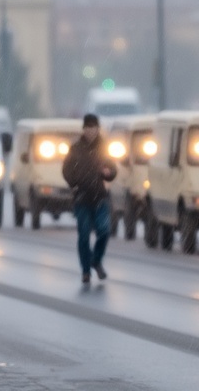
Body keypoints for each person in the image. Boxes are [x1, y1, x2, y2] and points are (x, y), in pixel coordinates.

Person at [62, 113, 117, 285]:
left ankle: (96, 259)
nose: (90, 131)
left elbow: (112, 169)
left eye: (93, 128)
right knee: (84, 236)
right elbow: (66, 169)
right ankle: (86, 270)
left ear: (98, 129)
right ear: (83, 129)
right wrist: (74, 184)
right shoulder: (76, 148)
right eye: (87, 128)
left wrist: (109, 173)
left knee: (104, 231)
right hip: (82, 198)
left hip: (99, 196)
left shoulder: (104, 148)